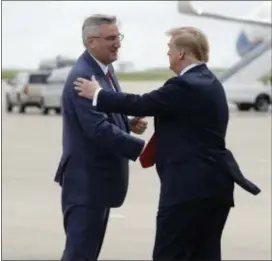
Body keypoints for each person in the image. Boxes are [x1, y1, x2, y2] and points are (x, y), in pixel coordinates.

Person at [73, 26, 261, 260]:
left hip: (188, 190)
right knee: (204, 254)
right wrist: (129, 124)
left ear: (181, 53)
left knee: (168, 254)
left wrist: (97, 94)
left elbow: (142, 103)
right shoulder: (210, 82)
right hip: (214, 187)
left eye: (170, 49)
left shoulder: (185, 85)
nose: (168, 55)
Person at [54, 14, 147, 261]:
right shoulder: (83, 77)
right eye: (111, 38)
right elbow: (97, 129)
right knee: (80, 254)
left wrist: (126, 125)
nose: (118, 43)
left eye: (119, 37)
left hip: (100, 182)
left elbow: (103, 114)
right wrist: (142, 149)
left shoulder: (104, 69)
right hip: (86, 183)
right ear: (91, 42)